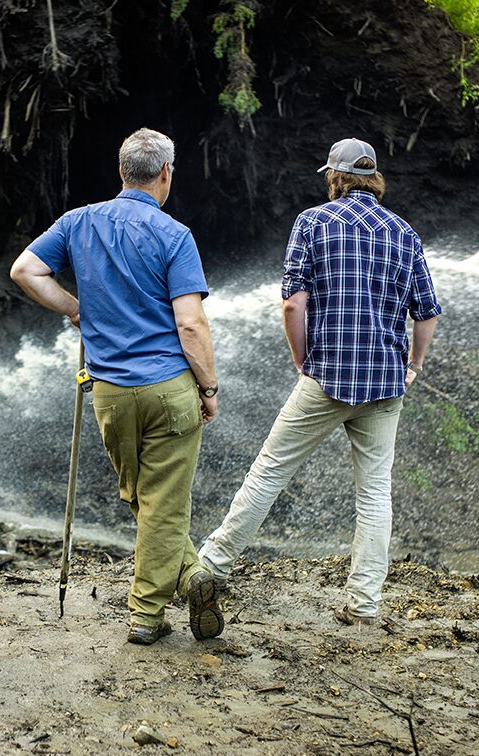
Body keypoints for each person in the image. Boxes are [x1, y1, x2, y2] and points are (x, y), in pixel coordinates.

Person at [197, 137, 442, 625]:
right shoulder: (405, 233)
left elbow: (293, 303)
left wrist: (301, 358)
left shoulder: (312, 222)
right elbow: (427, 313)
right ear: (374, 180)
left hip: (325, 375)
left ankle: (209, 567)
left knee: (269, 472)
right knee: (374, 492)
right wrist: (412, 367)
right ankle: (364, 604)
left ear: (334, 178)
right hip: (386, 384)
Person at [10, 127, 224, 645]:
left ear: (121, 172)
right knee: (163, 504)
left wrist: (77, 310)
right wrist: (210, 389)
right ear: (166, 173)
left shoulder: (78, 223)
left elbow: (25, 270)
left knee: (142, 498)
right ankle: (147, 615)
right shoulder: (175, 236)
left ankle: (192, 577)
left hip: (109, 392)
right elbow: (191, 325)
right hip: (169, 390)